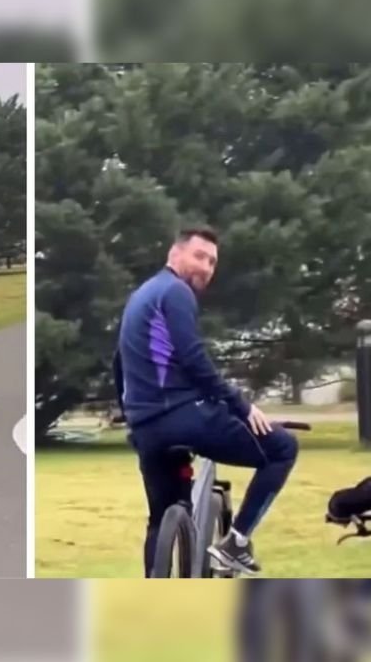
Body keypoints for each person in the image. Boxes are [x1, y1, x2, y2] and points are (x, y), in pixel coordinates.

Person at [115, 226, 299, 576]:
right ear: (175, 254)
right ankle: (236, 545)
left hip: (147, 428)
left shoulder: (141, 296)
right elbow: (193, 358)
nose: (206, 267)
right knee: (282, 449)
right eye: (199, 256)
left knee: (162, 516)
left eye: (212, 262)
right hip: (186, 416)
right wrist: (242, 406)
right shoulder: (175, 291)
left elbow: (119, 363)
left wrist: (132, 418)